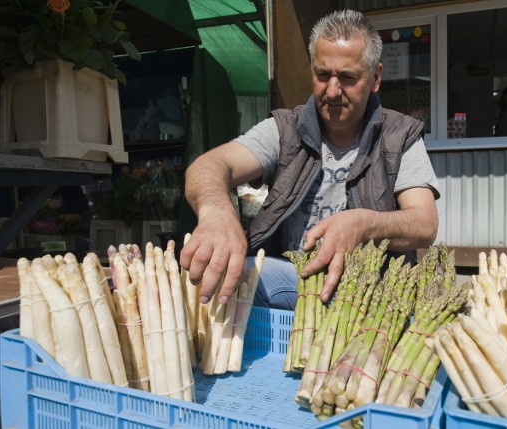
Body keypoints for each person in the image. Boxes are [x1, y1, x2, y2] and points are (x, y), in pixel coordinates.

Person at [180, 10, 440, 311]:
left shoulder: (399, 135)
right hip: (291, 283)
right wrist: (216, 212)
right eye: (322, 75)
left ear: (375, 78)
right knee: (236, 274)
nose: (332, 91)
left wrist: (366, 224)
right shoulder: (285, 130)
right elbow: (207, 166)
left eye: (347, 77)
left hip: (368, 296)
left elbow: (425, 223)